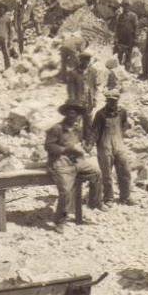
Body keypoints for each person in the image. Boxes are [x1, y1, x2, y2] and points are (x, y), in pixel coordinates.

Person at [45, 99, 105, 234]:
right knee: (66, 191)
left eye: (76, 113)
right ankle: (61, 220)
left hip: (77, 161)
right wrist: (66, 149)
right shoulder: (56, 128)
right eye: (71, 112)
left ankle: (94, 202)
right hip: (60, 162)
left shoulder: (78, 128)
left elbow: (82, 142)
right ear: (66, 113)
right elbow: (48, 146)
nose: (74, 115)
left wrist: (85, 146)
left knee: (96, 173)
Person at [92, 89, 135, 208]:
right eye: (110, 101)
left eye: (114, 101)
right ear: (106, 101)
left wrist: (121, 136)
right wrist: (91, 145)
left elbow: (125, 125)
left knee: (125, 170)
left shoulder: (122, 112)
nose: (112, 103)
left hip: (119, 145)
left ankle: (125, 196)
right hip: (104, 146)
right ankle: (108, 198)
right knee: (106, 173)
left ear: (117, 101)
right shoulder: (100, 114)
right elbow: (95, 131)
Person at [65, 51, 98, 144]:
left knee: (88, 120)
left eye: (88, 60)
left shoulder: (93, 72)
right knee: (76, 121)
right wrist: (72, 102)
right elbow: (70, 88)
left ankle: (87, 140)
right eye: (84, 60)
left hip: (89, 100)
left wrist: (94, 99)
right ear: (80, 60)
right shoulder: (73, 73)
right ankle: (75, 140)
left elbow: (95, 87)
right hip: (78, 101)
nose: (86, 62)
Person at [113, 4, 138, 71]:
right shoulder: (120, 16)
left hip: (129, 38)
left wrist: (135, 38)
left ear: (129, 7)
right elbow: (117, 27)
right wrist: (115, 37)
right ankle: (117, 69)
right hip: (121, 38)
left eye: (127, 6)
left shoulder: (133, 16)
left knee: (128, 54)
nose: (125, 8)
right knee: (119, 54)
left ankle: (127, 69)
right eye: (124, 7)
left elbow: (135, 27)